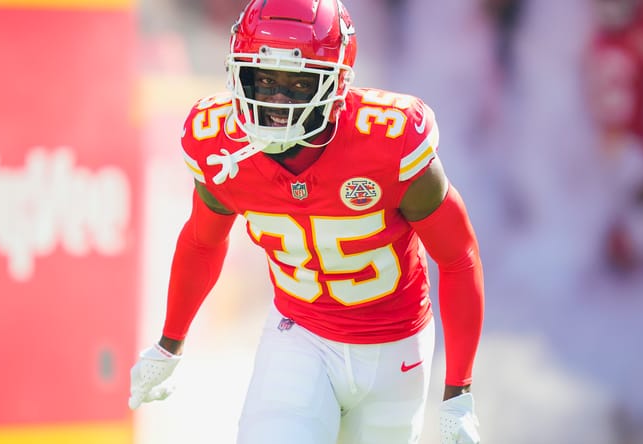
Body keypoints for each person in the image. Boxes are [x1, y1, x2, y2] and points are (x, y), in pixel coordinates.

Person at [128, 0, 485, 443]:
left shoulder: (389, 142)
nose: (276, 100)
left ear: (337, 83)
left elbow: (457, 257)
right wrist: (170, 342)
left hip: (396, 349)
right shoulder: (220, 144)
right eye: (263, 78)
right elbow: (203, 242)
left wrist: (459, 390)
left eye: (298, 82)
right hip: (301, 337)